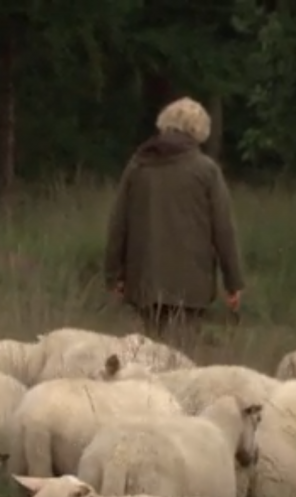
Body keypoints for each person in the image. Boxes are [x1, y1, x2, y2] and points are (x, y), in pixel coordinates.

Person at [103, 97, 245, 352]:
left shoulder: (138, 165)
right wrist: (233, 282)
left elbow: (118, 223)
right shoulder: (206, 170)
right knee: (182, 355)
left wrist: (114, 275)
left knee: (149, 354)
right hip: (191, 285)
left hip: (144, 280)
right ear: (198, 130)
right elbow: (224, 230)